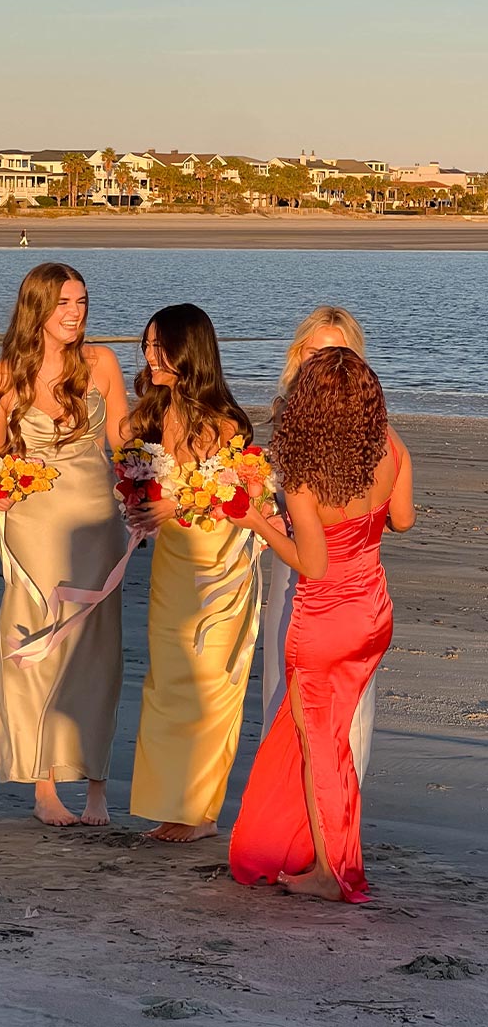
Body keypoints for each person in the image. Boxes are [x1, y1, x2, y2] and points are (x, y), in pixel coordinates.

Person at [229, 348, 415, 902]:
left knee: (322, 747)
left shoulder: (307, 478)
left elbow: (312, 565)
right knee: (326, 739)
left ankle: (333, 872)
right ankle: (316, 849)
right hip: (373, 613)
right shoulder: (391, 446)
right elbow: (401, 520)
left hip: (324, 621)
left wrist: (259, 522)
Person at [0, 263, 129, 827]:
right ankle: (43, 782)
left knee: (96, 646)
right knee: (37, 638)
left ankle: (95, 781)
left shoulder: (102, 363)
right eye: (64, 302)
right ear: (36, 308)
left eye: (82, 301)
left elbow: (121, 440)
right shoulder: (0, 376)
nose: (75, 313)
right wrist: (13, 479)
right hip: (34, 522)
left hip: (96, 520)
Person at [127, 304, 258, 843]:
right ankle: (170, 801)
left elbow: (232, 496)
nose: (151, 356)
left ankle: (201, 811)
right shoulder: (155, 413)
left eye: (161, 347)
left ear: (189, 352)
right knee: (167, 681)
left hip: (217, 564)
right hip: (173, 562)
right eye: (149, 346)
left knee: (210, 682)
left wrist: (171, 506)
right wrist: (135, 493)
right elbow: (130, 452)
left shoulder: (224, 423)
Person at [262, 306, 376, 783]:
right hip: (292, 573)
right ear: (298, 356)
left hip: (337, 578)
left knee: (348, 704)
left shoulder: (369, 426)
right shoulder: (285, 414)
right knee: (279, 689)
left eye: (336, 353)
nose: (322, 364)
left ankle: (339, 807)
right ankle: (285, 808)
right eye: (314, 353)